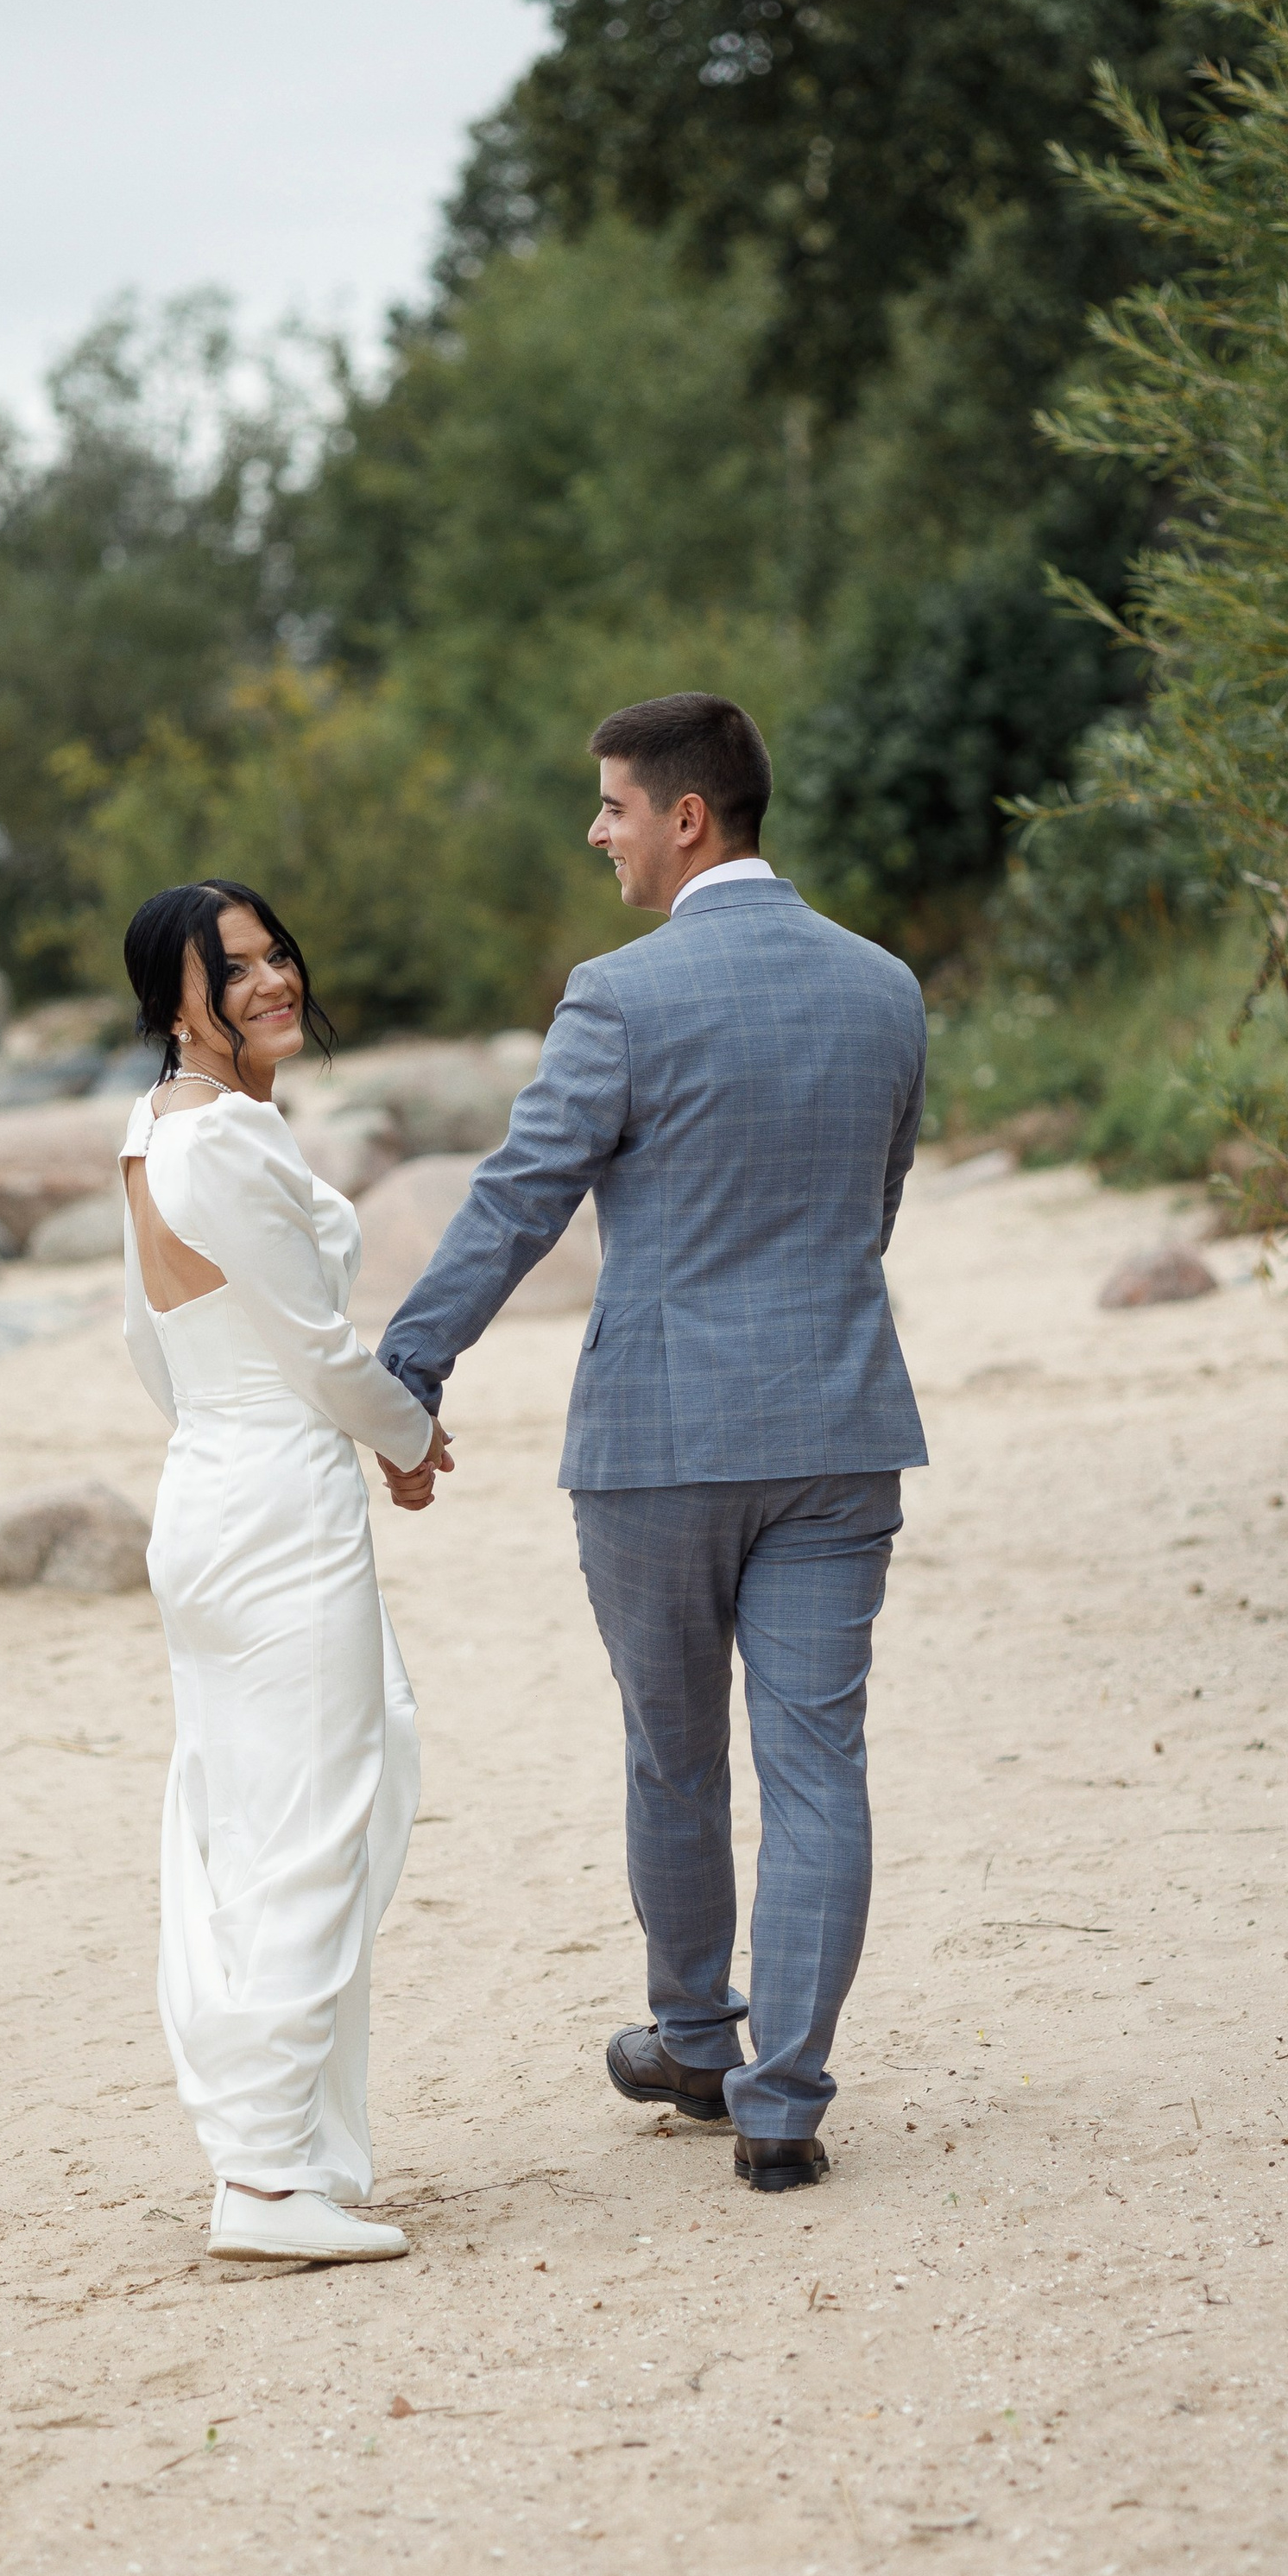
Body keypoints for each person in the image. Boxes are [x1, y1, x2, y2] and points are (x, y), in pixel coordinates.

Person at [381, 694, 926, 2192]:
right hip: (837, 1422)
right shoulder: (885, 986)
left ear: (689, 817)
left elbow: (516, 1198)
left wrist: (407, 1371)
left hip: (659, 1443)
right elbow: (871, 1210)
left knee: (674, 1757)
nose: (598, 830)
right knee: (819, 1766)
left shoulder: (619, 996)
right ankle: (784, 2100)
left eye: (613, 805)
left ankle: (696, 2037)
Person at [117, 880, 451, 2269]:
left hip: (207, 1486)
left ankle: (288, 2152)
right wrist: (411, 1440)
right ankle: (261, 2181)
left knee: (253, 1819)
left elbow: (150, 1345)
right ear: (172, 1002)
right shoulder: (232, 1144)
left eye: (275, 955)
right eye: (231, 969)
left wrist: (234, 1433)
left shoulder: (153, 1133)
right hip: (274, 1498)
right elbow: (321, 1350)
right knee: (315, 1819)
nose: (272, 981)